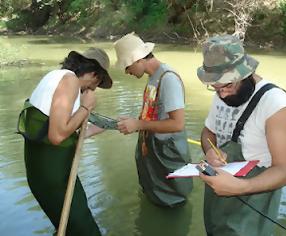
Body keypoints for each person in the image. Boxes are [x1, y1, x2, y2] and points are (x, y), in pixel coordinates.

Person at [197, 35, 286, 236]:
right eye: (215, 88)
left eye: (227, 86)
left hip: (253, 201)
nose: (222, 94)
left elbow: (284, 171)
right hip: (219, 195)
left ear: (245, 73)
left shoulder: (276, 104)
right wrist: (209, 150)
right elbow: (208, 132)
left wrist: (241, 187)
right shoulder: (222, 93)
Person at [17, 47, 113, 235]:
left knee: (68, 228)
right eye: (97, 83)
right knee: (85, 231)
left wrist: (103, 127)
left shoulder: (55, 77)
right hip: (55, 178)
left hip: (43, 177)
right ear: (95, 74)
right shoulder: (69, 81)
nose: (92, 89)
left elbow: (59, 131)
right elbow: (57, 136)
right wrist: (85, 108)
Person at [113, 32, 192, 207]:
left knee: (173, 199)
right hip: (154, 148)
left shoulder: (168, 78)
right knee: (155, 195)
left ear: (138, 60)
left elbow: (178, 124)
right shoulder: (154, 77)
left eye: (127, 66)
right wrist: (134, 121)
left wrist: (139, 124)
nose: (127, 72)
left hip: (168, 152)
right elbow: (156, 113)